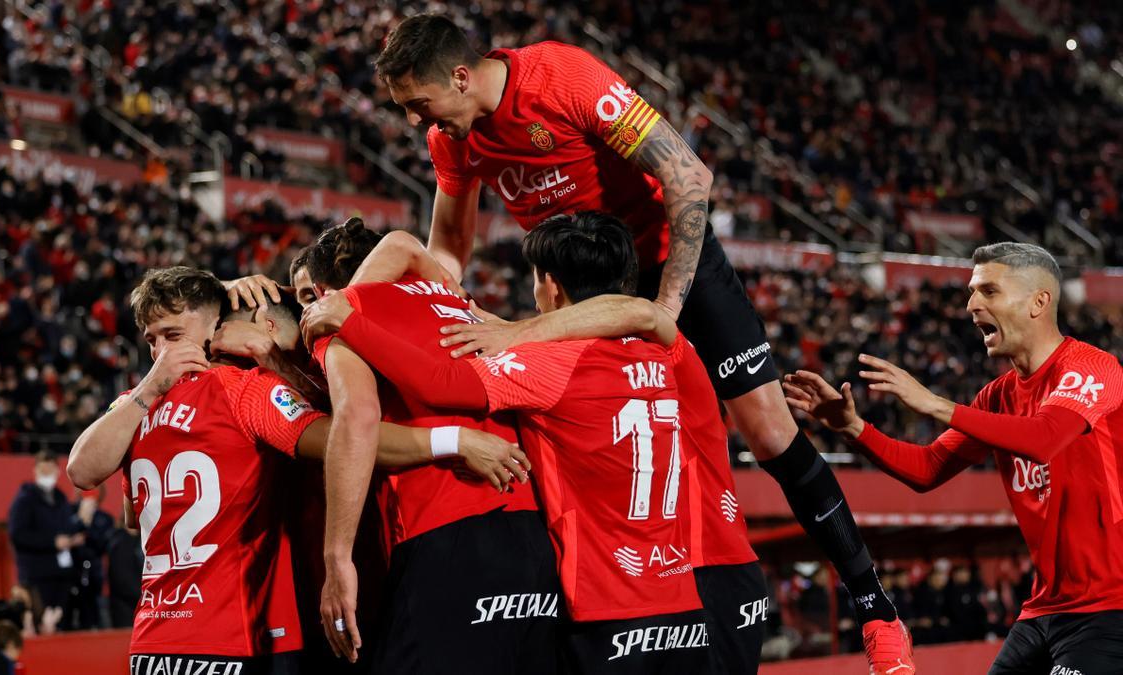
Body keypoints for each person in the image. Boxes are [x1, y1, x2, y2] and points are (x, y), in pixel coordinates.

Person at [374, 14, 911, 670]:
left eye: (418, 105)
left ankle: (876, 607)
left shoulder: (562, 77)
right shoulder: (451, 139)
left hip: (669, 261)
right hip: (582, 285)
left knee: (768, 429)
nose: (414, 122)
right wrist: (432, 314)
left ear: (460, 76)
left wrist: (663, 307)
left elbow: (689, 176)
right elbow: (449, 250)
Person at [342, 221, 767, 672]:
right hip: (696, 596)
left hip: (608, 611)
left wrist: (346, 321)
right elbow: (648, 315)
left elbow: (441, 383)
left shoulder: (545, 363)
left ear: (550, 284)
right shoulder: (673, 353)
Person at [66, 267, 518, 674]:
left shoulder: (131, 410)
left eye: (171, 335)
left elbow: (126, 507)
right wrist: (452, 440)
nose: (160, 352)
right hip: (236, 639)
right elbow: (348, 436)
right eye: (150, 340)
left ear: (215, 327)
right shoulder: (243, 391)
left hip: (159, 643)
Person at [784, 242, 1123, 673]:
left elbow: (1045, 437)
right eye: (971, 292)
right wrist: (855, 429)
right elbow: (927, 470)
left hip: (1111, 607)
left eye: (989, 292)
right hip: (1043, 610)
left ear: (1040, 301)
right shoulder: (997, 396)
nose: (971, 305)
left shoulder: (1093, 368)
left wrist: (934, 404)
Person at [297, 220, 560, 674]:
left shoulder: (340, 315)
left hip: (447, 535)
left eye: (304, 297)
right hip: (535, 534)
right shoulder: (460, 303)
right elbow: (403, 243)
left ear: (322, 290)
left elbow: (356, 420)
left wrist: (336, 559)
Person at [6, 451, 81, 630]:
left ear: (58, 471)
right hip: (36, 576)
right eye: (43, 469)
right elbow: (17, 535)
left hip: (62, 575)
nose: (47, 474)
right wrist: (52, 542)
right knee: (41, 624)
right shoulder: (24, 500)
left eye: (50, 469)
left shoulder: (61, 499)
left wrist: (73, 536)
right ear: (35, 471)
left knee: (59, 623)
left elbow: (66, 528)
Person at [69, 486, 114, 630]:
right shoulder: (69, 512)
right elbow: (64, 535)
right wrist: (80, 520)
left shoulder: (105, 518)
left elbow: (102, 544)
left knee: (95, 616)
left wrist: (87, 525)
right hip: (71, 573)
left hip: (95, 576)